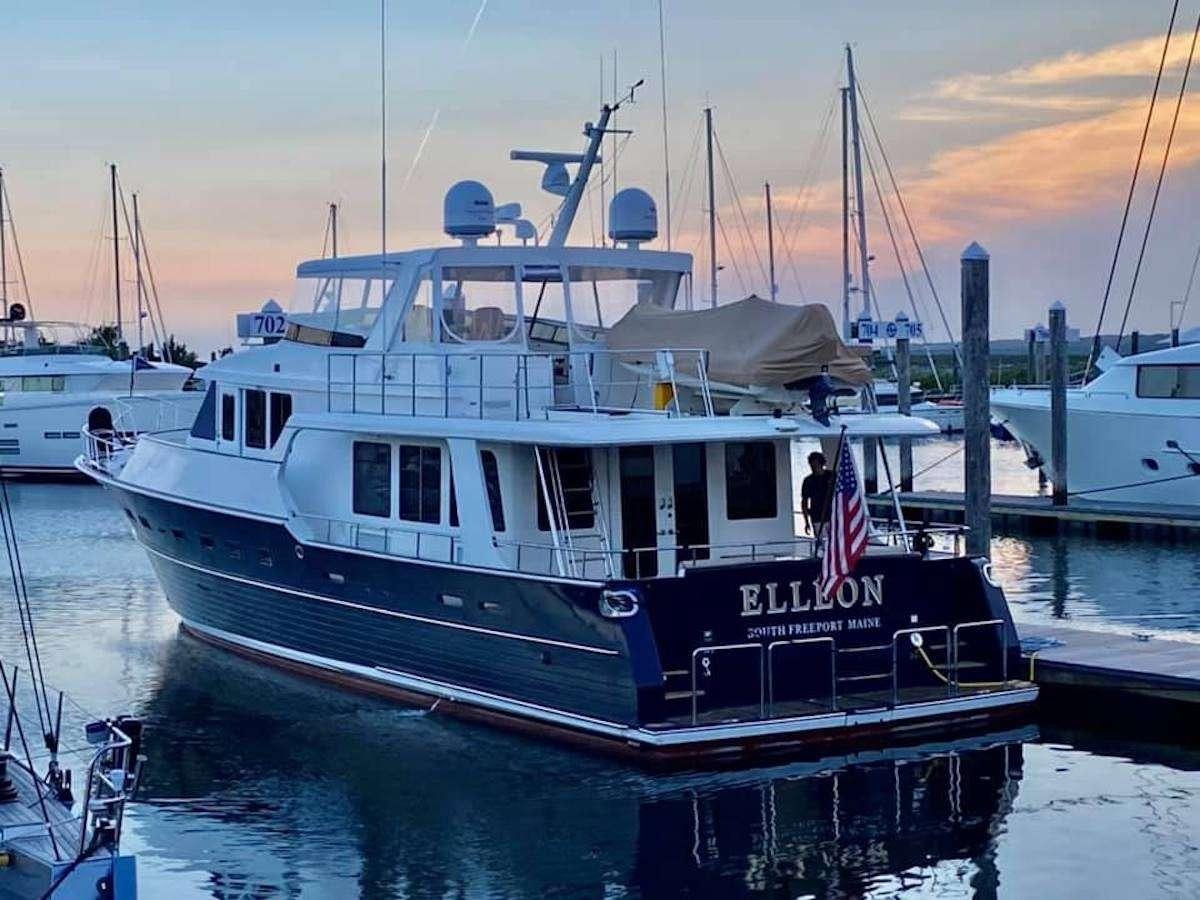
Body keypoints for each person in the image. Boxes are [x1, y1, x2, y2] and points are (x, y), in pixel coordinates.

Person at [801, 451, 834, 535]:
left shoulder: (832, 476)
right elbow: (804, 502)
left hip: (833, 516)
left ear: (821, 463)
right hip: (817, 517)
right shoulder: (808, 481)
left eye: (816, 464)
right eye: (811, 464)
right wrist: (806, 522)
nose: (813, 467)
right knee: (821, 543)